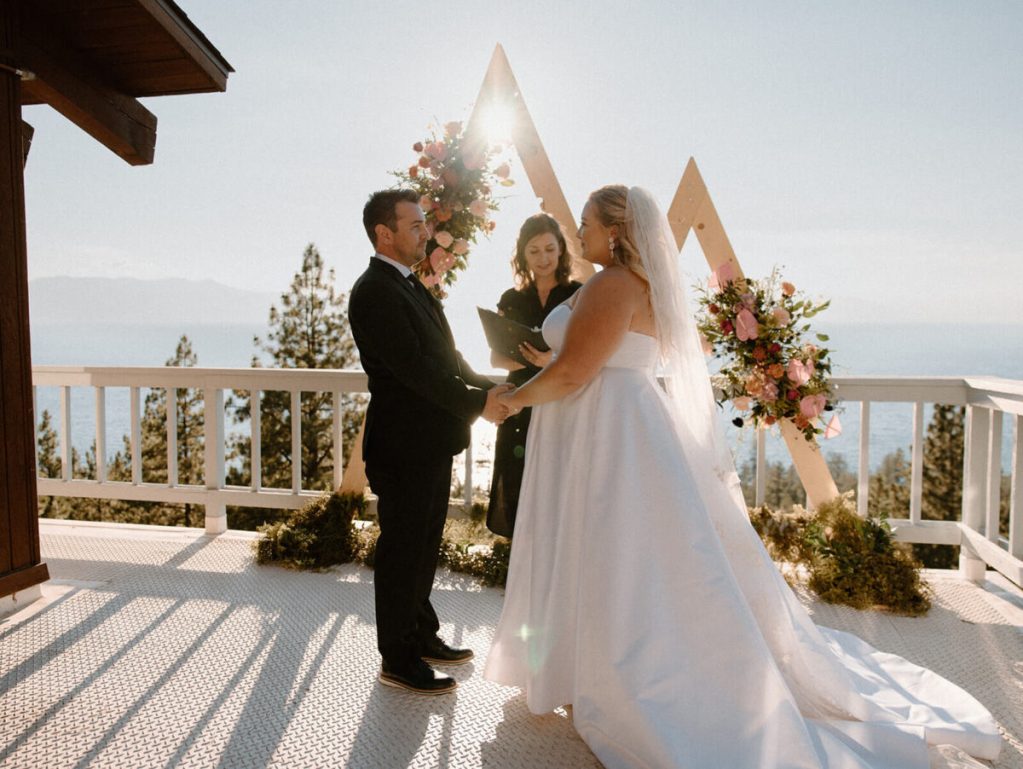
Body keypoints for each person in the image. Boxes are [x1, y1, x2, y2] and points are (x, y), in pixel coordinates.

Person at [484, 185, 1001, 767]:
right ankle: (596, 667)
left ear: (616, 232)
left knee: (611, 553)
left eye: (585, 224)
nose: (578, 233)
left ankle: (615, 676)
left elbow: (577, 372)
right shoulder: (639, 287)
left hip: (609, 432)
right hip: (619, 424)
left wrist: (512, 401)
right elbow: (591, 359)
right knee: (630, 556)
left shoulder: (611, 285)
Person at [349, 189, 509, 696]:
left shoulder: (412, 285)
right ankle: (397, 658)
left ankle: (422, 634)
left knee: (423, 548)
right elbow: (414, 371)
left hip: (430, 442)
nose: (424, 232)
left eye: (423, 224)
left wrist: (491, 387)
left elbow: (449, 357)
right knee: (402, 553)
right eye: (414, 226)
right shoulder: (373, 291)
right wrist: (477, 406)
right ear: (384, 233)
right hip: (402, 446)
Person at [487, 213, 582, 538]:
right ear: (522, 254)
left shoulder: (579, 294)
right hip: (519, 408)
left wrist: (549, 361)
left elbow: (588, 354)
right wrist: (524, 359)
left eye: (549, 249)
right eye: (534, 251)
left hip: (563, 401)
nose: (543, 258)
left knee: (561, 491)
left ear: (561, 251)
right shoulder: (510, 299)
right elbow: (496, 358)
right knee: (518, 490)